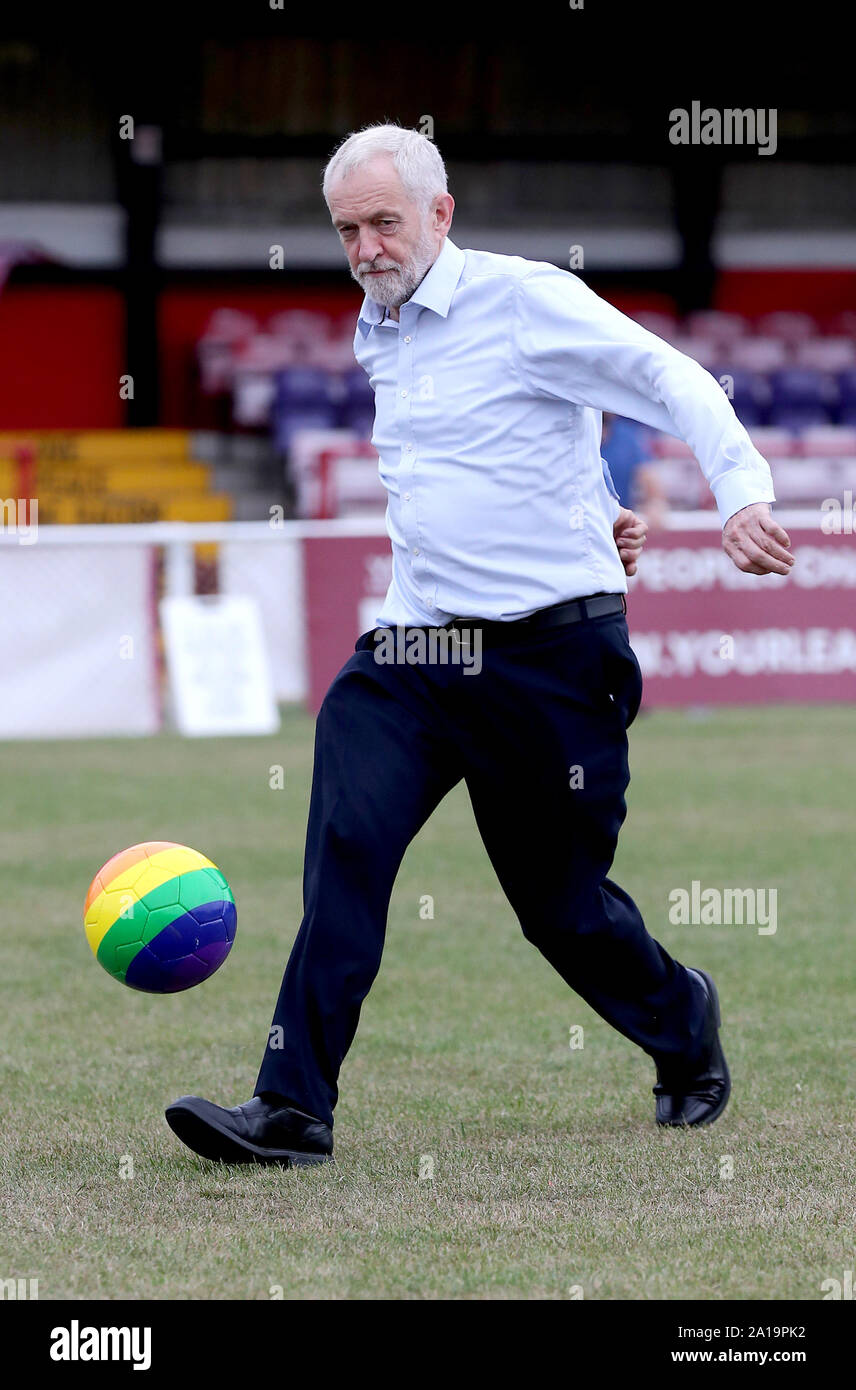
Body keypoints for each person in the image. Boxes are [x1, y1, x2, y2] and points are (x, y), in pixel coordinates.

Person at [166, 125, 794, 1168]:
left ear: (440, 215)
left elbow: (666, 375)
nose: (366, 248)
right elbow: (506, 448)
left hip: (551, 665)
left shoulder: (525, 300)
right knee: (348, 850)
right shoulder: (379, 325)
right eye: (346, 230)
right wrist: (594, 509)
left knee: (562, 912)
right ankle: (293, 1108)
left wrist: (741, 497)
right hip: (412, 653)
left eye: (384, 223)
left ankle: (683, 1026)